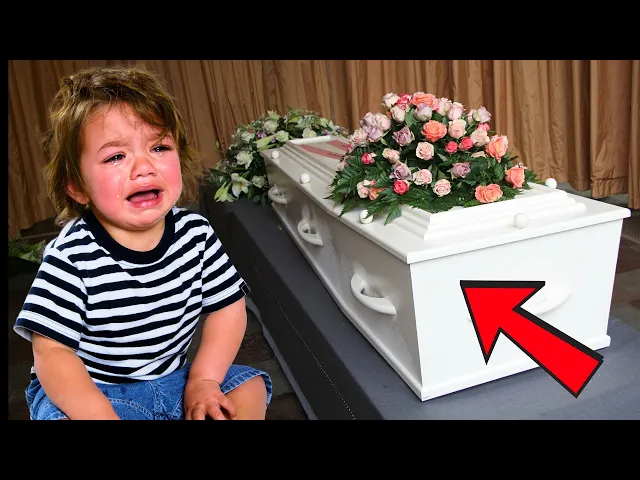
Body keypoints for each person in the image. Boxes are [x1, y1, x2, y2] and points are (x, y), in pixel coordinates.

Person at [13, 64, 272, 420]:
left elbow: (228, 308)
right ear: (77, 187)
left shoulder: (195, 234)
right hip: (93, 392)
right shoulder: (72, 256)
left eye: (159, 147)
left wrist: (204, 380)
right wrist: (100, 415)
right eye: (116, 156)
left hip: (173, 381)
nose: (144, 167)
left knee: (247, 387)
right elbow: (52, 352)